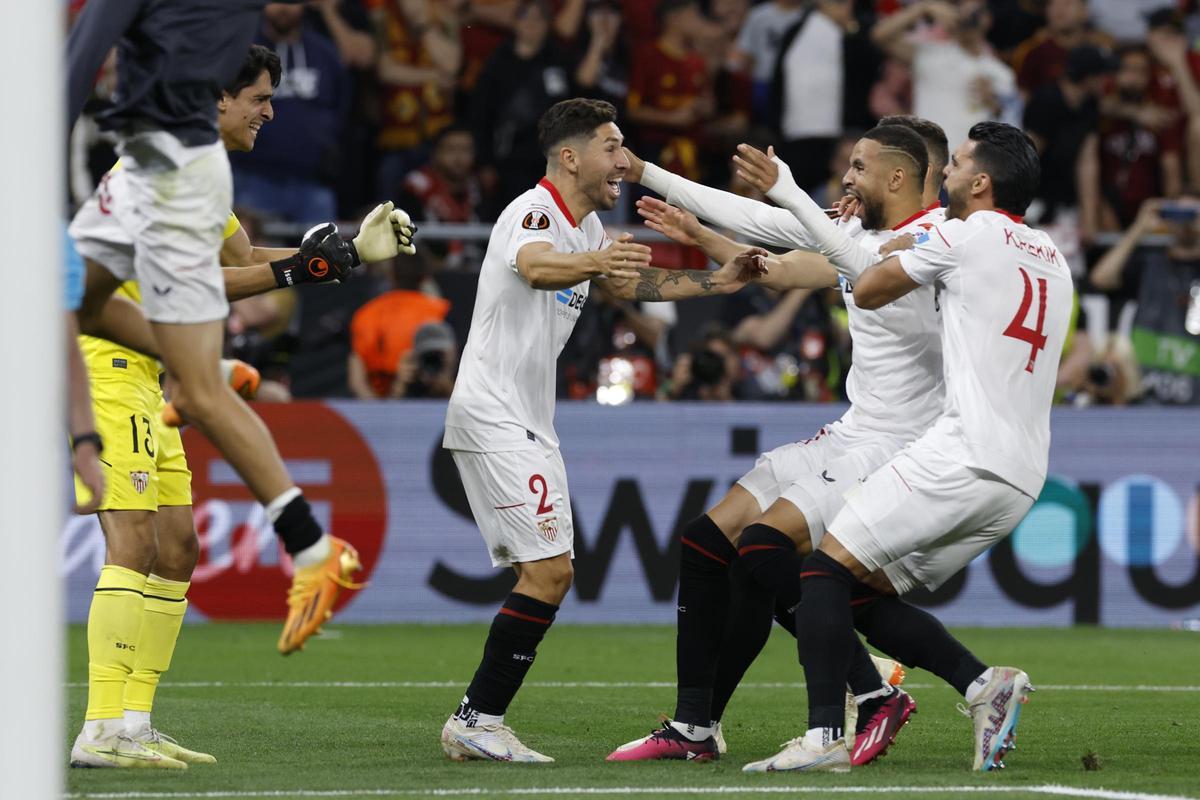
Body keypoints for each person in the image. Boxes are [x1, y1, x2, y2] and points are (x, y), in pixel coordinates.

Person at [65, 44, 402, 771]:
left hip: (149, 372)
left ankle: (132, 721)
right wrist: (307, 265)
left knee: (179, 547)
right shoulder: (161, 171)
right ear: (218, 99)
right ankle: (96, 728)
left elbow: (240, 261)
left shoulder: (199, 175)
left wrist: (345, 252)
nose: (271, 112)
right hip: (106, 365)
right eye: (259, 98)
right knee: (131, 542)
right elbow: (214, 284)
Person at [439, 98, 766, 763]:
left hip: (528, 419)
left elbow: (636, 286)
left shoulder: (586, 230)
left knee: (550, 572)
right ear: (571, 156)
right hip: (495, 413)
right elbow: (534, 266)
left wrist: (716, 282)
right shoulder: (531, 213)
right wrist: (597, 263)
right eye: (613, 147)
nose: (625, 162)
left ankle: (479, 718)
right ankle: (476, 720)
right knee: (549, 572)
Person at [607, 123, 944, 764]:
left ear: (904, 175)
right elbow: (788, 258)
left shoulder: (935, 246)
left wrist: (780, 197)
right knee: (708, 543)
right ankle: (695, 727)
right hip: (850, 429)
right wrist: (699, 229)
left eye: (860, 167)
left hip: (897, 446)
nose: (847, 180)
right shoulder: (862, 234)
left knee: (764, 552)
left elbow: (790, 229)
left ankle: (865, 692)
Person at [742, 121, 1069, 774]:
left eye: (959, 163)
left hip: (960, 452)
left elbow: (865, 288)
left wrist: (803, 204)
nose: (944, 171)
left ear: (981, 183)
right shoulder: (1050, 256)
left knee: (822, 570)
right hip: (1022, 478)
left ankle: (825, 735)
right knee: (857, 593)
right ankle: (983, 685)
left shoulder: (963, 231)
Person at [1090, 195, 1200, 405]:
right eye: (1178, 214)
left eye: (1192, 214)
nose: (1185, 223)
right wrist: (1139, 229)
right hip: (1145, 399)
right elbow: (1101, 279)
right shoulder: (1150, 262)